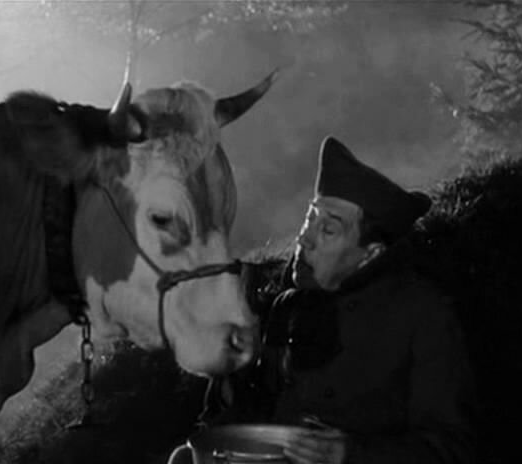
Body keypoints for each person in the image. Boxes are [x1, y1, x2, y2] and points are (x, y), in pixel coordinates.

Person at [169, 136, 476, 464]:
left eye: (328, 230)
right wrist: (235, 373)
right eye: (309, 218)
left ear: (370, 254)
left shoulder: (422, 314)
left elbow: (451, 449)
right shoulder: (289, 307)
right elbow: (255, 417)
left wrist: (350, 454)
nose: (304, 238)